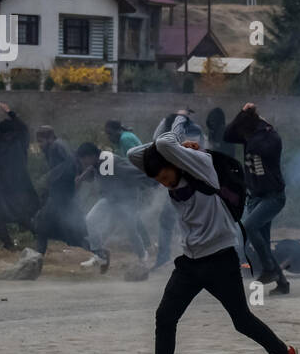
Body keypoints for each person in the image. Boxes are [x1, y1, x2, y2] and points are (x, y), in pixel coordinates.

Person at [125, 114, 297, 354]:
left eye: (165, 176)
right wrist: (164, 148)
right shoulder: (169, 166)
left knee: (241, 320)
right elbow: (133, 154)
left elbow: (167, 142)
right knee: (165, 316)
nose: (164, 183)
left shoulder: (202, 166)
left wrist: (178, 119)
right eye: (158, 180)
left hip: (220, 259)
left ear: (175, 162)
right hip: (191, 262)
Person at [224, 102, 289, 293]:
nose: (241, 134)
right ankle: (282, 284)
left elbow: (258, 147)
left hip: (273, 197)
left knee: (247, 227)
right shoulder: (252, 134)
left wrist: (258, 123)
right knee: (264, 245)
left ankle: (269, 269)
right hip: (256, 198)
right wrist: (242, 113)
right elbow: (227, 135)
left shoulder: (270, 137)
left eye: (244, 129)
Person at [33, 125, 108, 271]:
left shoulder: (56, 147)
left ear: (49, 138)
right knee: (73, 235)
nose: (40, 145)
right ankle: (100, 253)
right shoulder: (59, 145)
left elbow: (69, 164)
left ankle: (35, 262)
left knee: (41, 227)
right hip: (66, 197)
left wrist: (49, 177)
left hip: (60, 198)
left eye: (41, 141)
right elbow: (74, 163)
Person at [76, 141, 150, 267]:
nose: (83, 162)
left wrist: (153, 179)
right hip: (110, 199)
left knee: (131, 230)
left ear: (92, 155)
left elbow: (132, 171)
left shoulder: (109, 160)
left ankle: (143, 256)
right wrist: (82, 177)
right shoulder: (97, 161)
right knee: (90, 220)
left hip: (127, 200)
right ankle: (101, 256)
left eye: (84, 159)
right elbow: (92, 168)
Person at [0, 102, 39, 249]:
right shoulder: (19, 139)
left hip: (8, 187)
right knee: (4, 216)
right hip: (7, 187)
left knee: (11, 217)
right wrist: (7, 112)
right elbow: (23, 128)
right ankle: (11, 244)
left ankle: (14, 243)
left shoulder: (2, 140)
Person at [151, 109, 204, 268]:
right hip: (193, 183)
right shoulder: (196, 130)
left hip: (186, 184)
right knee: (180, 220)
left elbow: (156, 140)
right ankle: (190, 257)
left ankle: (170, 258)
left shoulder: (179, 137)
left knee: (176, 220)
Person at [104, 119, 150, 252]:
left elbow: (133, 162)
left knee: (130, 212)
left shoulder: (125, 139)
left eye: (109, 133)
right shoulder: (124, 137)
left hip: (138, 177)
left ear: (116, 131)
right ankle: (144, 243)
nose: (109, 137)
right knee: (131, 212)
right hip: (138, 177)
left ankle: (145, 244)